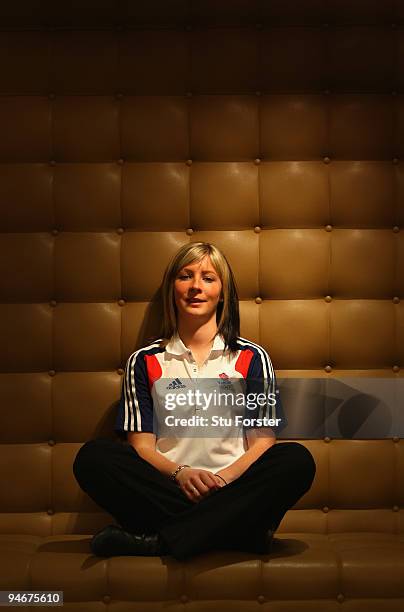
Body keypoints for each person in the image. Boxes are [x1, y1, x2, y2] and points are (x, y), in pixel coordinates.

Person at [73, 241, 316, 561]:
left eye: (208, 278)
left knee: (296, 460)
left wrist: (222, 479)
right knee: (93, 458)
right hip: (167, 491)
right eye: (186, 276)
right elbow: (142, 447)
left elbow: (262, 442)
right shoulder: (143, 361)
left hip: (236, 490)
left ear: (223, 292)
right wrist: (182, 474)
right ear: (172, 288)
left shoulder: (252, 357)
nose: (196, 287)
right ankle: (238, 534)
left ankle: (158, 542)